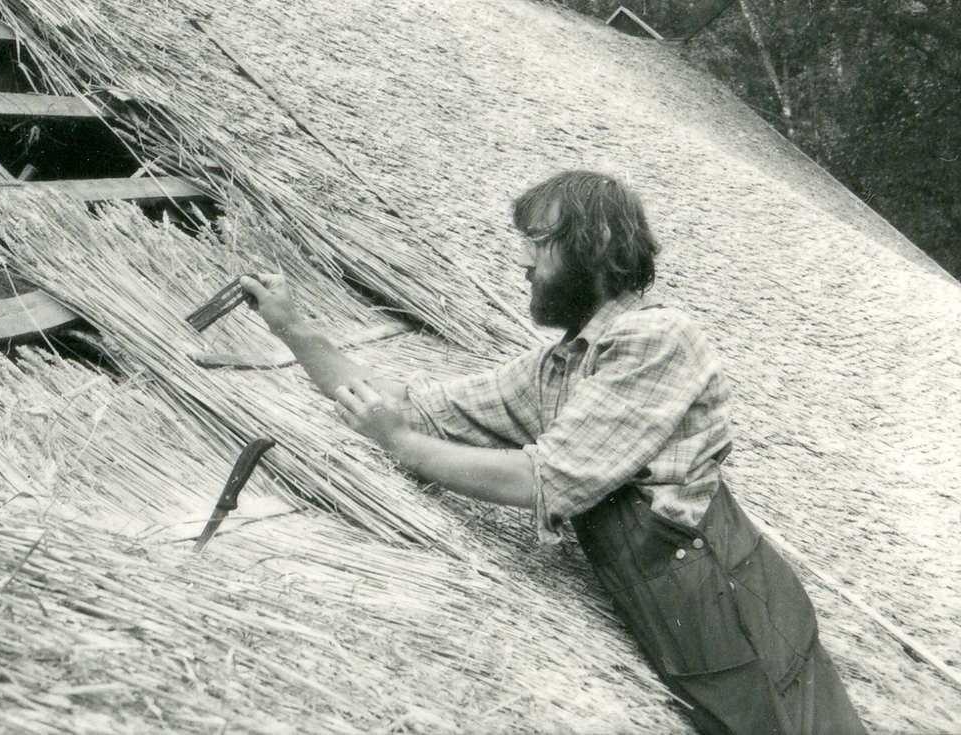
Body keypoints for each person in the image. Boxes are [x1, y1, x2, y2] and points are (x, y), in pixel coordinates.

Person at [240, 170, 866, 735]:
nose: (523, 260)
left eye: (537, 240)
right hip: (666, 601)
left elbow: (545, 482)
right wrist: (293, 328)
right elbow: (407, 406)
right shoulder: (556, 367)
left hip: (728, 597)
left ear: (593, 244)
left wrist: (402, 446)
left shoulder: (656, 338)